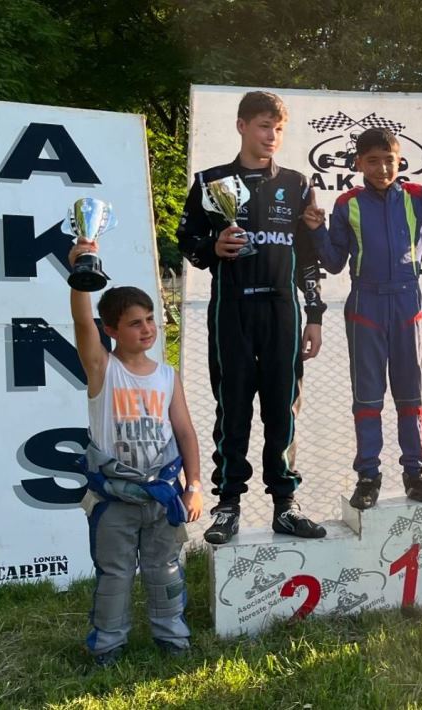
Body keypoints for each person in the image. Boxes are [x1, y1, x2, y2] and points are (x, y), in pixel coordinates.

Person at [177, 91, 328, 543]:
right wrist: (212, 248)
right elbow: (186, 240)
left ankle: (286, 503)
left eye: (279, 129)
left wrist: (315, 314)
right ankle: (228, 505)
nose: (271, 136)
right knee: (234, 407)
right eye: (264, 126)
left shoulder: (298, 184)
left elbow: (309, 257)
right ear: (242, 125)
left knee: (284, 408)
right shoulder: (210, 181)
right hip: (233, 309)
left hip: (283, 310)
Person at [317, 99, 422, 510]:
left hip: (407, 302)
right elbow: (333, 263)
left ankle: (415, 473)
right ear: (358, 163)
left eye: (389, 160)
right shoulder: (346, 203)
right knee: (368, 398)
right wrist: (315, 232)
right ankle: (368, 475)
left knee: (410, 394)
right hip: (365, 304)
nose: (382, 168)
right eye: (373, 161)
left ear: (400, 160)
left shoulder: (417, 197)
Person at [68, 242, 203, 666]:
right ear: (111, 330)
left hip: (162, 497)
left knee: (165, 570)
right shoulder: (102, 369)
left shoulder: (167, 376)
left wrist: (194, 485)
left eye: (149, 320)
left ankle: (172, 638)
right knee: (115, 575)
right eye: (134, 323)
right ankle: (107, 646)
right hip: (114, 500)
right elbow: (81, 321)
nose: (146, 329)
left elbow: (185, 432)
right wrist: (81, 274)